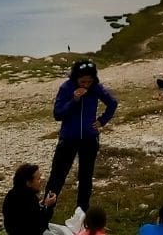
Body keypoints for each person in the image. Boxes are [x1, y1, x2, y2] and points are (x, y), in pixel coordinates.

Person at [47, 58, 118, 214]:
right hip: (68, 139)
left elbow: (112, 103)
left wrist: (102, 121)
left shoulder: (96, 88)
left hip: (89, 139)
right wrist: (74, 100)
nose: (85, 85)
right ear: (75, 78)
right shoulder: (66, 88)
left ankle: (82, 213)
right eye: (82, 81)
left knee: (85, 177)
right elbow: (58, 114)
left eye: (89, 81)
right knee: (57, 176)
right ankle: (45, 211)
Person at [2, 163, 59, 235]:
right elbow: (39, 227)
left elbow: (28, 216)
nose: (41, 180)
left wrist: (40, 205)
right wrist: (47, 206)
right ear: (28, 183)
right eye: (38, 179)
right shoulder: (28, 199)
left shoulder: (12, 194)